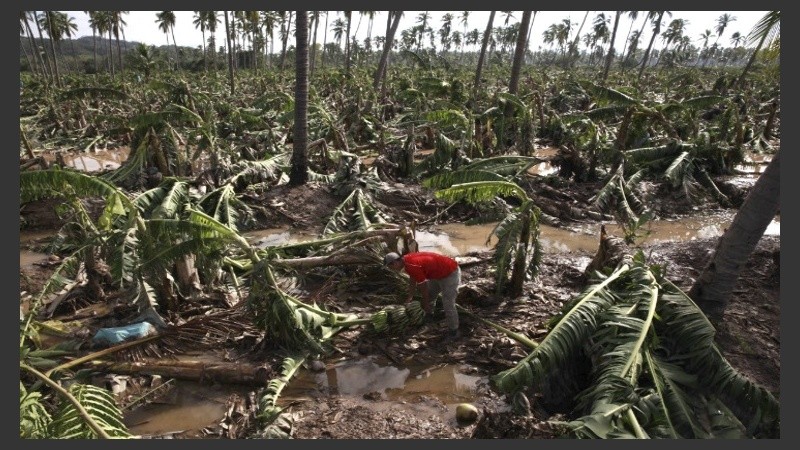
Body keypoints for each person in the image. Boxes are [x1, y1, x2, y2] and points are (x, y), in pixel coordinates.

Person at [383, 251, 461, 340]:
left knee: (448, 303)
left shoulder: (412, 265)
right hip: (437, 272)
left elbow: (424, 288)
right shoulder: (406, 261)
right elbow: (413, 278)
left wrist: (426, 304)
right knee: (431, 295)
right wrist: (410, 296)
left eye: (390, 267)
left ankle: (454, 331)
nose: (392, 269)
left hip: (450, 273)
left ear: (395, 262)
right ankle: (429, 315)